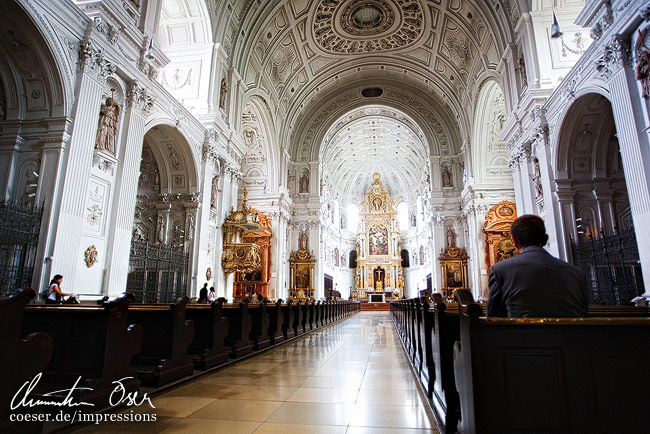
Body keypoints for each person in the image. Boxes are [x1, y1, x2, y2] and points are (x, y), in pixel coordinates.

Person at [487, 215, 589, 318]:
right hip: (573, 333)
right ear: (545, 239)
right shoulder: (577, 273)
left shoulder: (500, 270)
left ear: (514, 241)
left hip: (521, 333)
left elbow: (494, 319)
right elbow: (583, 313)